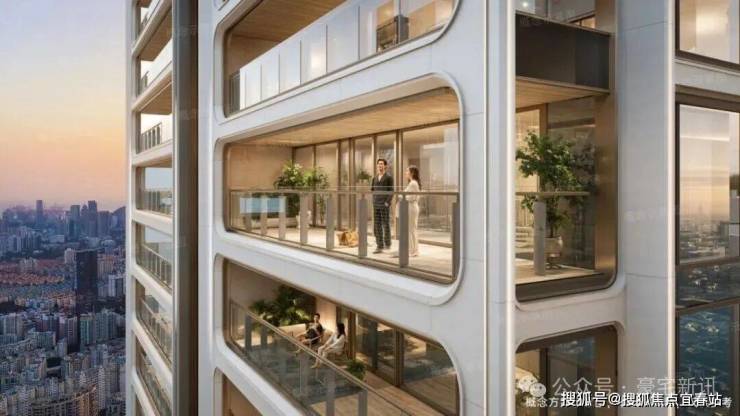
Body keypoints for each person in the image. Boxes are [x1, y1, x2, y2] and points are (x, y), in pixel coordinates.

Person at [393, 166, 421, 258]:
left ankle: (413, 251)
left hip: (411, 208)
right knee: (412, 229)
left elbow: (412, 197)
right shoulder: (413, 183)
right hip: (411, 207)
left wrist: (401, 196)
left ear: (412, 173)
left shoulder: (413, 183)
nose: (405, 173)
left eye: (407, 171)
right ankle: (413, 250)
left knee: (411, 230)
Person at [371, 159, 393, 253]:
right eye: (378, 164)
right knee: (377, 224)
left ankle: (387, 243)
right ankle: (379, 245)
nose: (380, 165)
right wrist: (374, 200)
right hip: (376, 204)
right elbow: (372, 190)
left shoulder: (389, 177)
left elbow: (391, 191)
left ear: (385, 166)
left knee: (386, 224)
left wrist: (387, 202)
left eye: (381, 164)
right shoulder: (374, 177)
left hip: (384, 204)